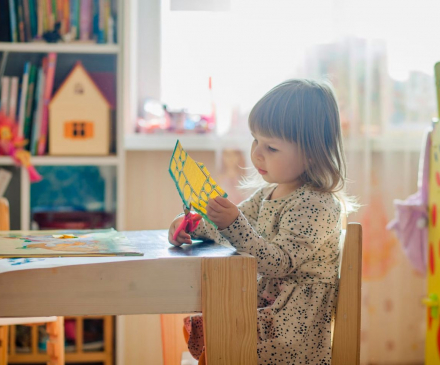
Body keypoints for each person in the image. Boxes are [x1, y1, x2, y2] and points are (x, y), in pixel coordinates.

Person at [168, 79, 356, 364]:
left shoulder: (317, 204)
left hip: (292, 330)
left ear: (311, 152)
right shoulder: (267, 193)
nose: (256, 152)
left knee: (222, 332)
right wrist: (194, 226)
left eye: (272, 147)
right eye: (256, 140)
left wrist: (232, 224)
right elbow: (232, 230)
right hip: (269, 310)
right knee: (215, 324)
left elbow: (277, 262)